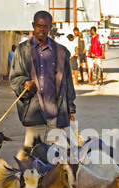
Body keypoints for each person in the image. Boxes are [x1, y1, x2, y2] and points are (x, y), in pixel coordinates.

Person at [9, 10, 76, 155]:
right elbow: (14, 77)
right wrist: (24, 83)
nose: (42, 29)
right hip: (34, 113)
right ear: (33, 25)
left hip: (56, 114)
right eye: (39, 25)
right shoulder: (22, 50)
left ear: (50, 27)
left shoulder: (61, 52)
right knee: (33, 157)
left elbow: (68, 82)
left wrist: (70, 108)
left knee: (58, 157)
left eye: (45, 26)